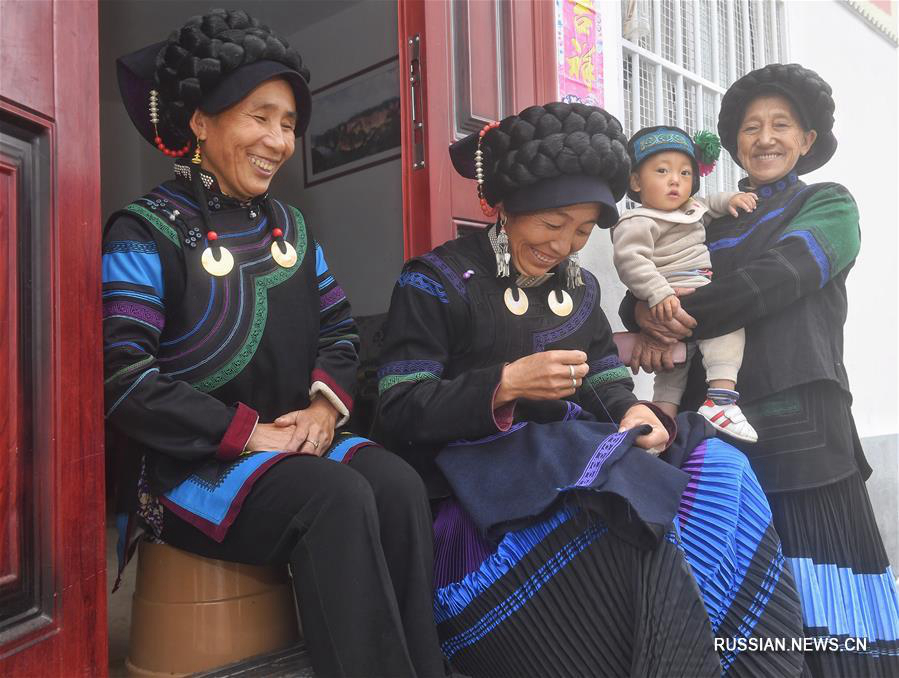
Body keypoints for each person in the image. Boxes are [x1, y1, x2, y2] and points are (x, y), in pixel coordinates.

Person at [376, 102, 805, 677]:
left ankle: (731, 653)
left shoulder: (579, 289)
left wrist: (632, 412)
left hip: (578, 460)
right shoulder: (436, 281)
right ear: (502, 207)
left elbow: (604, 373)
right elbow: (398, 408)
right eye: (552, 225)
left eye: (581, 232)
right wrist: (502, 387)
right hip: (484, 491)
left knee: (718, 461)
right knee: (626, 517)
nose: (565, 247)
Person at [104, 9, 446, 677]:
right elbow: (123, 378)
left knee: (399, 485)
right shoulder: (142, 231)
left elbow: (342, 332)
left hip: (298, 442)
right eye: (259, 116)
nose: (279, 139)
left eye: (288, 123)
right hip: (192, 467)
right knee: (335, 497)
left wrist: (322, 412)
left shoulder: (290, 227)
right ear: (200, 122)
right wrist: (249, 433)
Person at [621, 63, 899, 677]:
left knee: (815, 590)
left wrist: (662, 312)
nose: (765, 137)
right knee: (729, 591)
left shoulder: (827, 205)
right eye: (751, 127)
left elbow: (776, 280)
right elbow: (636, 289)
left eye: (782, 125)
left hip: (804, 430)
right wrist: (641, 304)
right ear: (736, 142)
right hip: (712, 433)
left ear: (806, 140)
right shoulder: (703, 218)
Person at [612, 125, 759, 442]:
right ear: (636, 181)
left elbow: (710, 204)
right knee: (679, 364)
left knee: (687, 358)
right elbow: (630, 261)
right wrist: (657, 293)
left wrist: (732, 199)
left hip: (688, 297)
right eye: (662, 171)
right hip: (668, 297)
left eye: (685, 172)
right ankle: (691, 413)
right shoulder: (638, 221)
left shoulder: (690, 210)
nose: (675, 180)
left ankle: (688, 414)